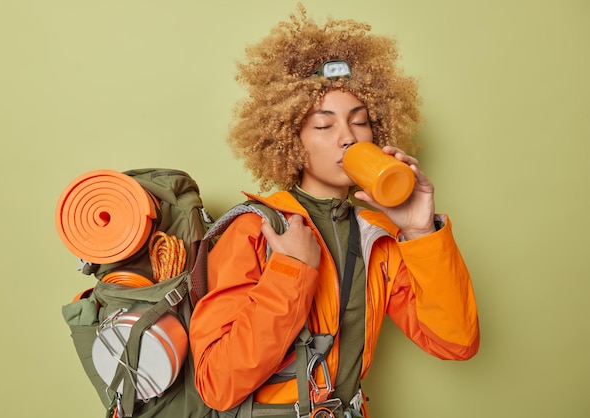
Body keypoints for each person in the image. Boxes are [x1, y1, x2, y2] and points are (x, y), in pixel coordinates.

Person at [189, 5, 479, 417]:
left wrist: (420, 231)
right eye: (324, 126)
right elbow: (217, 384)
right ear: (290, 140)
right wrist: (291, 269)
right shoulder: (257, 228)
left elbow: (455, 342)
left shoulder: (376, 235)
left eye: (359, 122)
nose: (347, 137)